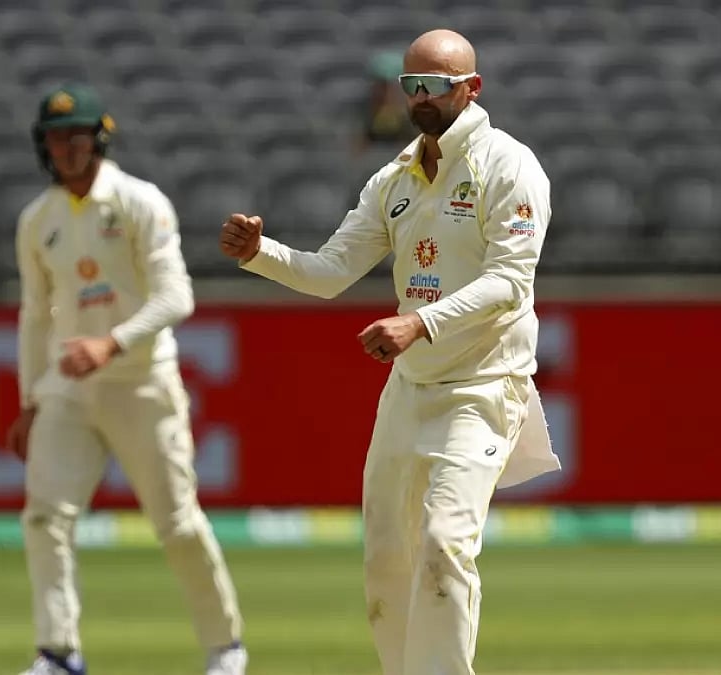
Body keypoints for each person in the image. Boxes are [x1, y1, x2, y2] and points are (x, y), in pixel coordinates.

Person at [218, 30, 561, 675]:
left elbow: (510, 282)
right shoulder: (395, 178)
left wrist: (419, 323)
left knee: (443, 546)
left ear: (471, 88)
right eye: (411, 86)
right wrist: (260, 254)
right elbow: (330, 271)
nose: (421, 97)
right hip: (408, 393)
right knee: (386, 565)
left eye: (436, 85)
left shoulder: (509, 166)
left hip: (483, 386)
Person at [7, 83, 247, 675]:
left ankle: (226, 647)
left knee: (177, 523)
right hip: (69, 388)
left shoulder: (140, 201)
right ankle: (59, 653)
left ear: (99, 139)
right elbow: (35, 316)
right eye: (56, 138)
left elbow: (177, 296)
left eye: (77, 136)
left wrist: (110, 343)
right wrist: (30, 400)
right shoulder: (38, 221)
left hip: (142, 381)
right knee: (45, 517)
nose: (66, 148)